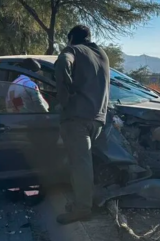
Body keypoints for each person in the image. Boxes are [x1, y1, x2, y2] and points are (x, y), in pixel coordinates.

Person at [54, 25, 110, 225]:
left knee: (80, 166)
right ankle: (82, 202)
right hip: (98, 119)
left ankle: (82, 209)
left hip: (76, 119)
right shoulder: (101, 54)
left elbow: (62, 63)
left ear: (70, 39)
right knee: (83, 164)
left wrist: (64, 98)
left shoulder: (72, 50)